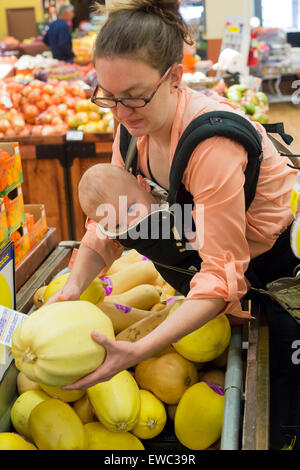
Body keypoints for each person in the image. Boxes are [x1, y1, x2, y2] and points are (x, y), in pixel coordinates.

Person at [47, 0, 300, 449]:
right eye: (109, 95)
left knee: (285, 400)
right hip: (220, 248)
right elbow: (109, 222)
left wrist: (139, 350)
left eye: (135, 95)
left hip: (283, 263)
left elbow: (222, 275)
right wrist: (73, 287)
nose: (121, 112)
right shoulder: (131, 128)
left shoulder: (212, 145)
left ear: (174, 78)